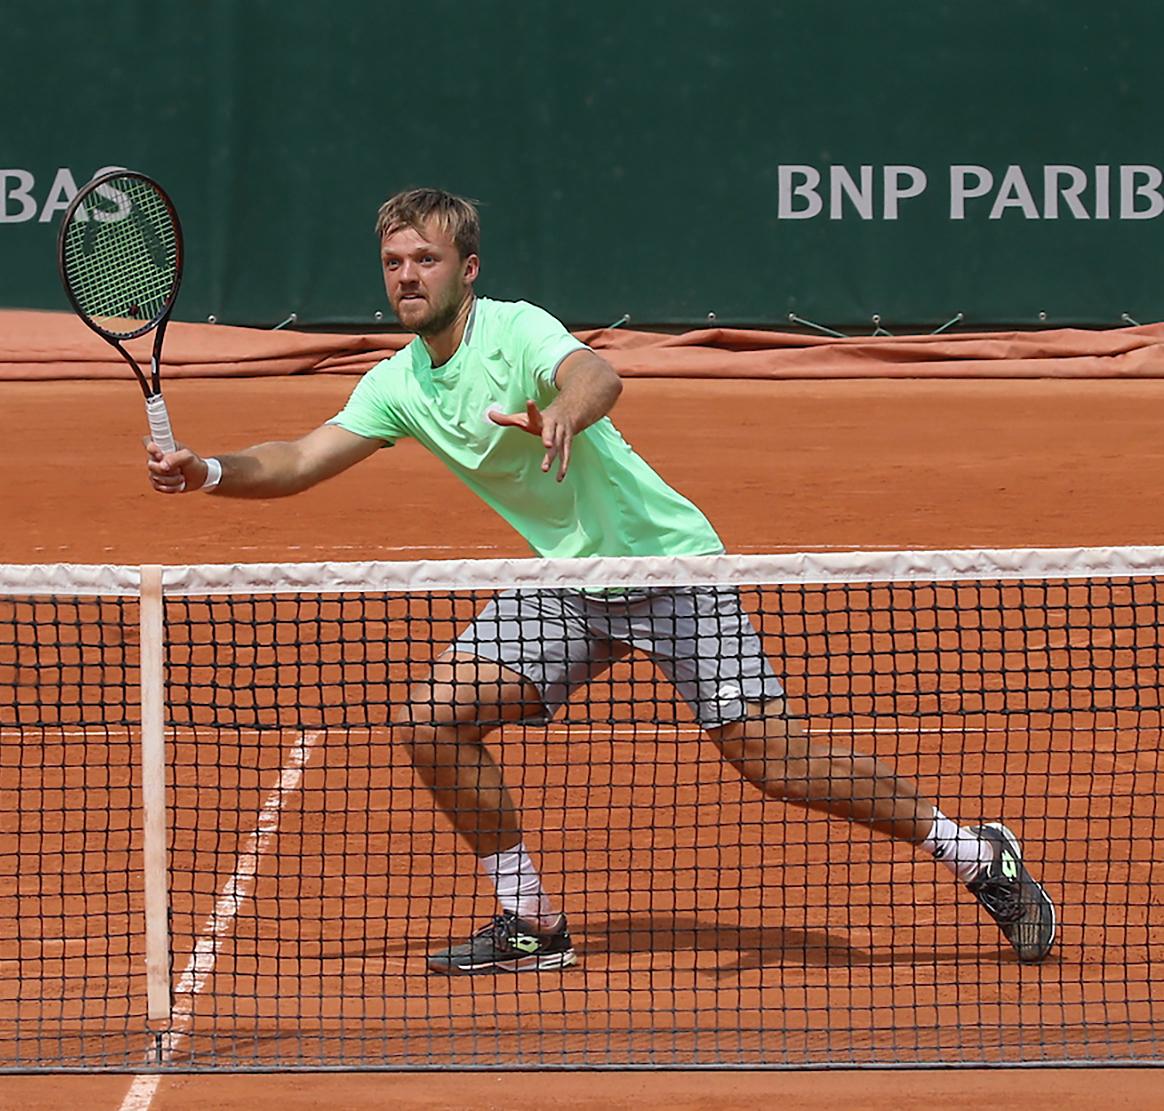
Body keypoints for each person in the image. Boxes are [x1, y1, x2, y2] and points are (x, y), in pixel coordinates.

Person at [146, 187, 1056, 974]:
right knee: (432, 719)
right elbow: (301, 456)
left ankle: (977, 854)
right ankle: (533, 923)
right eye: (393, 261)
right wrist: (211, 471)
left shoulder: (516, 328)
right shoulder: (398, 384)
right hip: (571, 581)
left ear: (468, 267)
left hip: (667, 564)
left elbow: (595, 372)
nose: (408, 275)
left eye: (427, 257)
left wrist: (562, 416)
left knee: (772, 760)